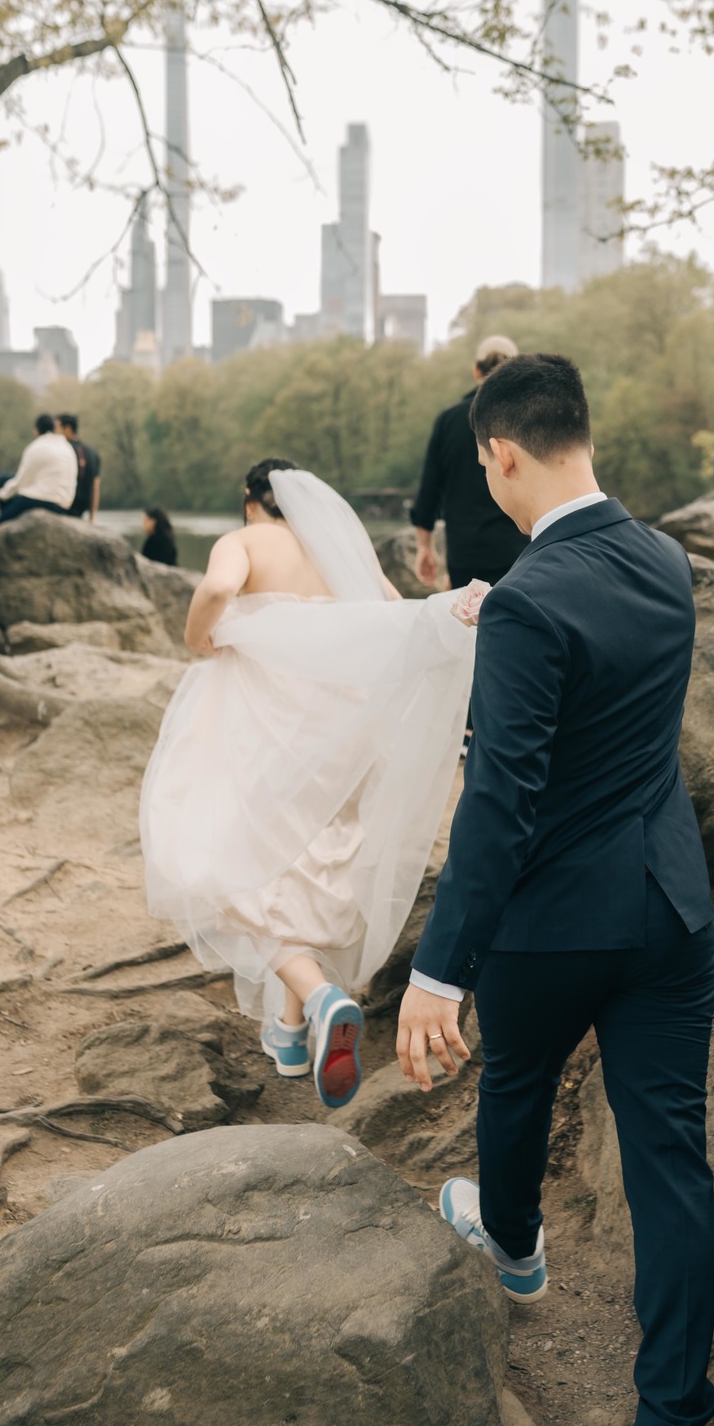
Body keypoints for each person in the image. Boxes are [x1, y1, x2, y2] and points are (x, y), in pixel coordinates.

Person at [396, 355, 714, 1426]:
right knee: (671, 1162)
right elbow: (606, 673)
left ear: (501, 454)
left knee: (517, 1080)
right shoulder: (663, 559)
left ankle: (518, 1250)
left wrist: (439, 969)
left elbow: (500, 803)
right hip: (669, 911)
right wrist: (506, 614)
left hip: (550, 926)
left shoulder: (533, 598)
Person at [140, 458, 481, 1112]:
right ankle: (291, 1036)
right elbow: (393, 613)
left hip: (264, 720)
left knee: (225, 870)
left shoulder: (246, 541)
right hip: (340, 731)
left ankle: (323, 999)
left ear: (251, 501)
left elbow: (215, 589)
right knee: (301, 870)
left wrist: (198, 637)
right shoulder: (339, 549)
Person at [411, 335, 527, 591]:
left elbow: (429, 490)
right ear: (515, 369)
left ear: (476, 370)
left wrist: (424, 548)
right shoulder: (526, 420)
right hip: (517, 551)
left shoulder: (449, 421)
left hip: (465, 554)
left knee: (467, 626)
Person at [0, 415, 78, 527]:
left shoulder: (37, 446)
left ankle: (5, 522)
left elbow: (21, 480)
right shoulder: (66, 446)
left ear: (37, 430)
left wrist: (1, 495)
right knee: (5, 480)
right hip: (65, 503)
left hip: (47, 501)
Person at [57, 414, 102, 522]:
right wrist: (92, 518)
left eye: (57, 428)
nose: (55, 433)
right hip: (82, 508)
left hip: (64, 505)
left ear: (67, 428)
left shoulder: (62, 450)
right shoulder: (92, 453)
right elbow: (95, 487)